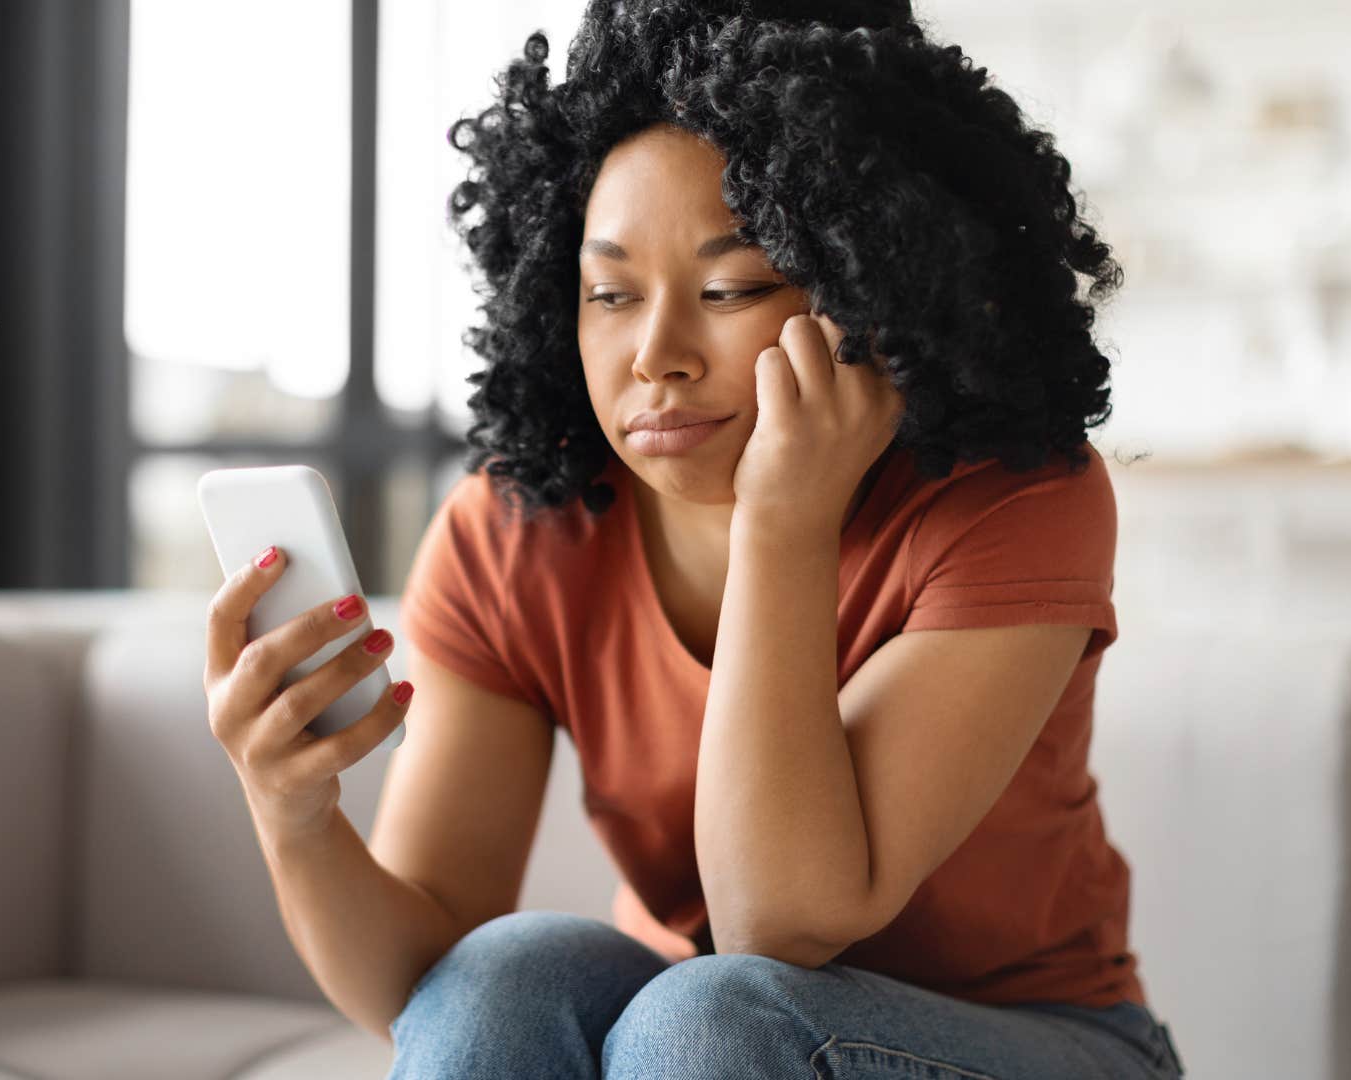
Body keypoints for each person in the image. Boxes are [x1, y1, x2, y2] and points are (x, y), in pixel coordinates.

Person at [203, 1, 1186, 1076]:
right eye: (609, 294)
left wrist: (781, 518)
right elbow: (417, 986)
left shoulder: (1014, 496)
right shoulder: (517, 529)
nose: (654, 354)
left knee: (712, 1014)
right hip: (702, 1042)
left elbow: (787, 918)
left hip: (1043, 1044)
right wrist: (292, 812)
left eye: (732, 289)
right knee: (500, 976)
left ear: (872, 287)